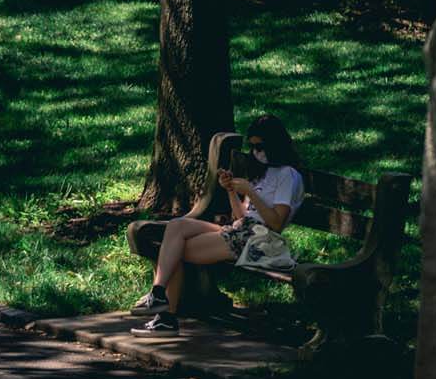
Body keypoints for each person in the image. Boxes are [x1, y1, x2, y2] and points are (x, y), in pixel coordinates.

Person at [130, 114, 306, 336]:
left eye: (260, 146)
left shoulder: (288, 176)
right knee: (176, 227)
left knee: (176, 250)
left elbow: (276, 223)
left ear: (275, 144)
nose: (255, 153)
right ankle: (158, 295)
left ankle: (165, 316)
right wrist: (232, 190)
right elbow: (241, 214)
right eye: (251, 147)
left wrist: (250, 191)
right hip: (240, 230)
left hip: (260, 239)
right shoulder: (262, 172)